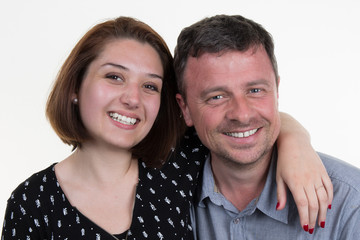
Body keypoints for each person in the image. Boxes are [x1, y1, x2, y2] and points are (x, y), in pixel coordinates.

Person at [1, 16, 331, 240]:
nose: (132, 98)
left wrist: (297, 143)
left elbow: (241, 121)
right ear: (75, 87)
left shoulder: (177, 162)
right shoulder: (32, 204)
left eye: (150, 86)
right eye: (114, 77)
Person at [174, 14, 360, 239]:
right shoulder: (165, 190)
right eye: (217, 96)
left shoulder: (350, 203)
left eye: (255, 90)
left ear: (277, 90)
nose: (242, 114)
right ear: (184, 108)